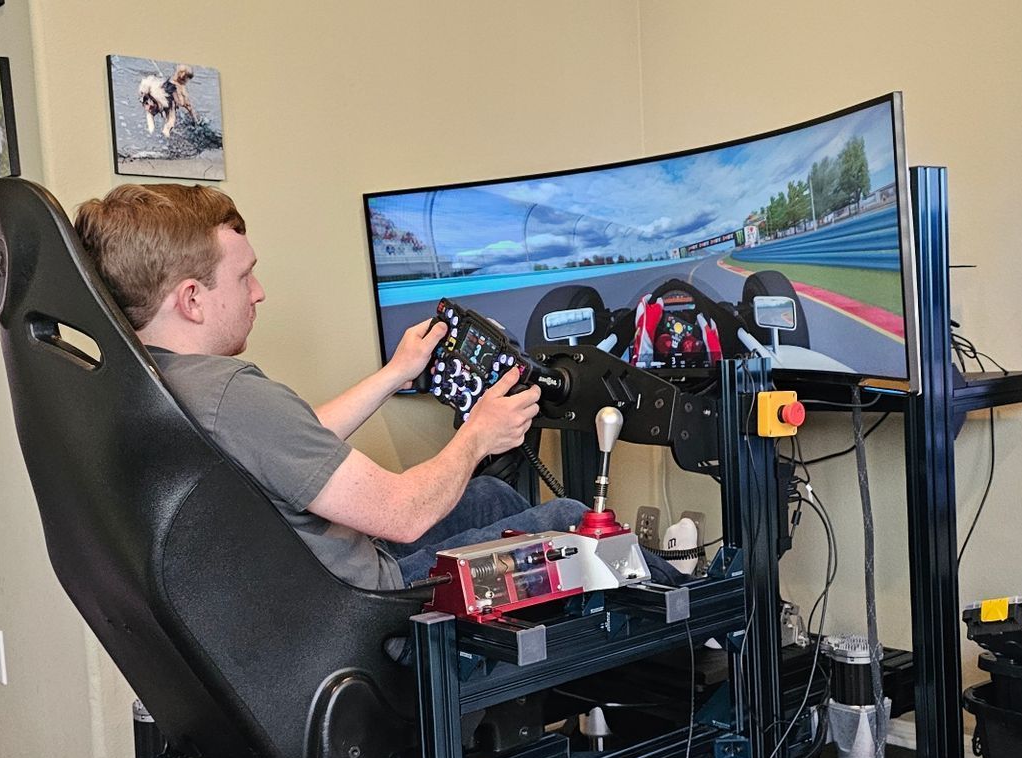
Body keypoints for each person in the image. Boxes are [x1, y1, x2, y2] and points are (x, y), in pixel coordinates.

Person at [71, 184, 687, 591]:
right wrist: (477, 435)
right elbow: (401, 512)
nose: (258, 293)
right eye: (244, 275)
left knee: (496, 503)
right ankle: (714, 633)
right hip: (375, 607)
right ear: (192, 300)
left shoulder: (163, 387)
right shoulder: (236, 393)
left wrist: (397, 372)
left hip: (311, 588)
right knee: (575, 519)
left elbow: (288, 447)